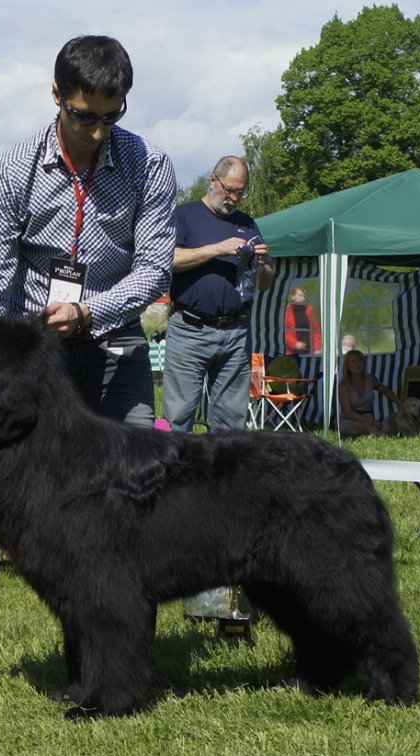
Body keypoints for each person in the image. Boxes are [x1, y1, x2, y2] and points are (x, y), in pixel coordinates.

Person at [0, 34, 177, 710]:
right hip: (35, 365)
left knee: (138, 502)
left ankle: (121, 665)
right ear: (57, 96)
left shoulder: (149, 165)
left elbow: (151, 268)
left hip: (115, 348)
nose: (97, 130)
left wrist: (91, 311)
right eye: (85, 115)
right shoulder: (12, 171)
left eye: (111, 116)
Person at [162, 155, 274, 624]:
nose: (234, 197)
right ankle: (172, 509)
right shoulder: (185, 216)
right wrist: (217, 249)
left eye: (240, 191)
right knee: (182, 419)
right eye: (229, 189)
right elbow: (167, 261)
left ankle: (227, 510)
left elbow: (265, 283)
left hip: (235, 331)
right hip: (190, 329)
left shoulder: (250, 224)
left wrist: (264, 264)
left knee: (232, 427)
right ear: (213, 181)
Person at [338, 349, 400, 436]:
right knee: (366, 427)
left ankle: (381, 435)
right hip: (351, 420)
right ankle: (383, 438)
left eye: (360, 361)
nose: (357, 364)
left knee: (388, 427)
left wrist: (399, 403)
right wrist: (371, 422)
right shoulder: (344, 385)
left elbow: (386, 391)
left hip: (369, 418)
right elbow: (348, 412)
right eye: (353, 361)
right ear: (348, 366)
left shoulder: (370, 379)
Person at [284, 285, 321, 355]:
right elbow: (284, 332)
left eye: (304, 296)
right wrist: (295, 343)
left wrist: (317, 348)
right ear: (293, 296)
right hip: (293, 352)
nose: (303, 298)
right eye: (300, 296)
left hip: (310, 351)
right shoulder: (287, 311)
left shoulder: (310, 310)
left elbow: (316, 330)